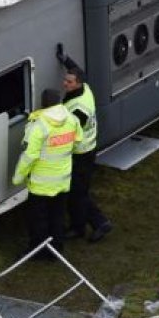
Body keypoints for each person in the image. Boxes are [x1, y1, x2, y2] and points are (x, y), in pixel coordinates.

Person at [12, 89, 82, 259]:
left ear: (43, 104)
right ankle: (56, 249)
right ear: (58, 101)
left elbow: (29, 156)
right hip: (63, 180)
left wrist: (18, 178)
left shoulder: (38, 125)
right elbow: (78, 144)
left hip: (41, 184)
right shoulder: (72, 120)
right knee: (57, 216)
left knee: (38, 220)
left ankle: (37, 252)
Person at [59, 60, 113, 243]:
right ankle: (79, 226)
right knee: (76, 191)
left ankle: (99, 223)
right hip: (87, 149)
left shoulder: (79, 109)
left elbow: (69, 132)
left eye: (69, 82)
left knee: (77, 192)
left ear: (78, 84)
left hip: (81, 154)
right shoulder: (86, 89)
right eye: (65, 80)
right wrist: (65, 59)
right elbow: (79, 71)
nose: (65, 84)